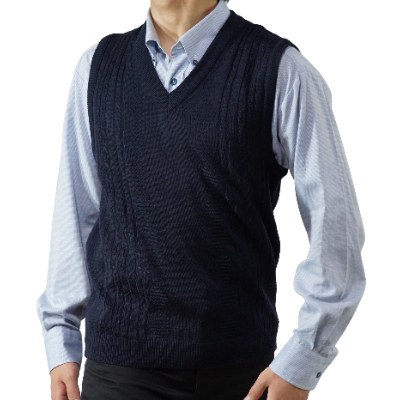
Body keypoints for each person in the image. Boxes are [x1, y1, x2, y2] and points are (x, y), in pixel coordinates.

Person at [36, 0, 366, 399]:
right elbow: (76, 212)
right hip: (118, 371)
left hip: (238, 373)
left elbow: (337, 226)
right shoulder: (98, 68)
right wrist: (60, 338)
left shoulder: (281, 69)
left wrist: (303, 360)